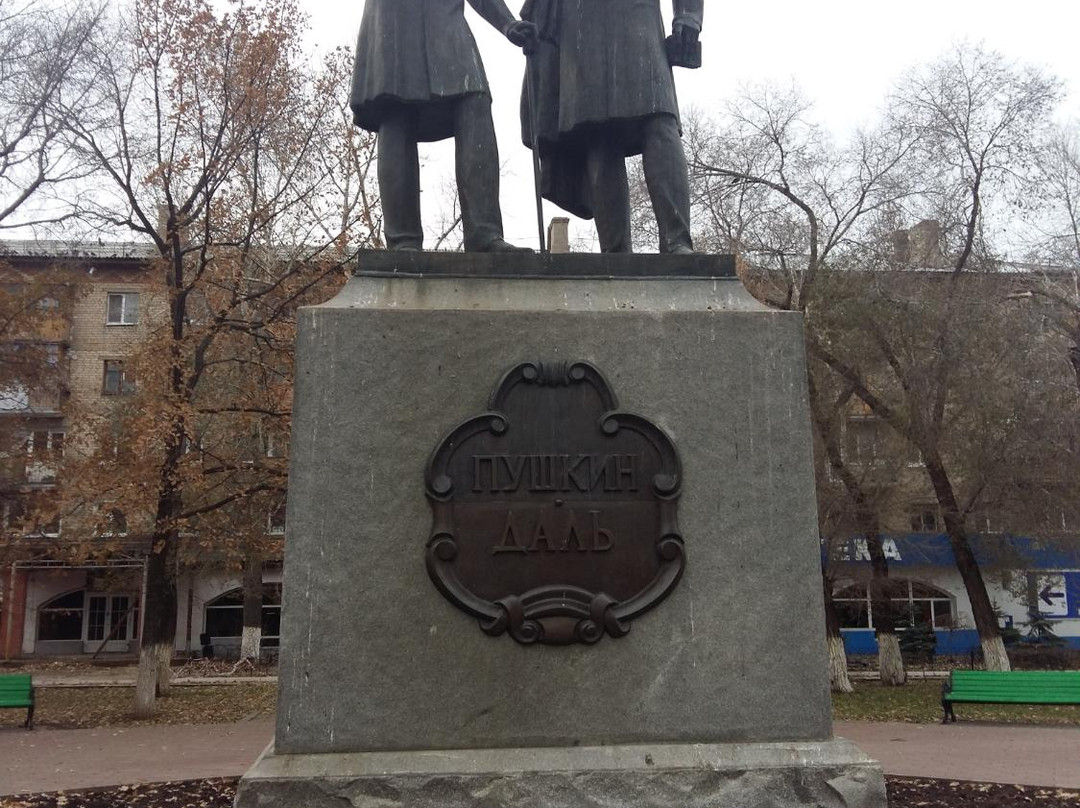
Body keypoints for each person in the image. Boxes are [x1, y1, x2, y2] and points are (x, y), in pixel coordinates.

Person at [350, 0, 537, 252]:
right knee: (396, 108)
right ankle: (403, 241)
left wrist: (507, 23)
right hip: (393, 17)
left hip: (445, 18)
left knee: (475, 100)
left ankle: (484, 234)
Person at [520, 0, 703, 254]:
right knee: (597, 131)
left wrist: (688, 14)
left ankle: (678, 242)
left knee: (659, 119)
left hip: (637, 15)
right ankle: (615, 253)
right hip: (576, 24)